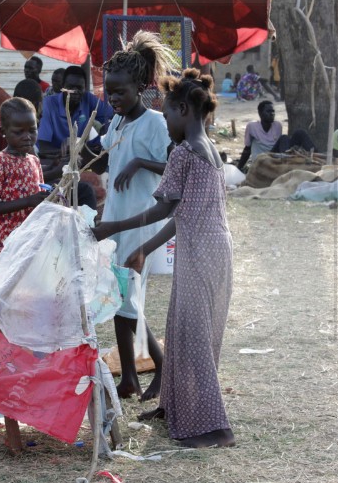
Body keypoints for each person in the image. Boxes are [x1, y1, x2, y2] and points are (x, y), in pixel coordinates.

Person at [93, 68, 235, 448]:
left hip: (200, 251)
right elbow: (184, 214)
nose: (166, 120)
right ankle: (171, 406)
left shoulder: (185, 153)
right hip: (214, 249)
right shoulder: (212, 154)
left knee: (193, 338)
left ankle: (214, 428)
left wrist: (113, 227)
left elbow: (163, 210)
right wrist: (145, 248)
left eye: (169, 112)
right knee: (182, 328)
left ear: (184, 110)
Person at [92, 31, 173, 401]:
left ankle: (161, 367)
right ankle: (129, 376)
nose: (114, 99)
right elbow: (105, 149)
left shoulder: (154, 123)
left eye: (120, 92)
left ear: (141, 87)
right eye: (109, 93)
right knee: (119, 301)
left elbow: (173, 165)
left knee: (129, 302)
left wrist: (141, 162)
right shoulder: (118, 122)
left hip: (141, 224)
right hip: (115, 220)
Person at [0, 98, 47, 266]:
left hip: (26, 241)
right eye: (19, 132)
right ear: (3, 131)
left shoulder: (34, 161)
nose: (27, 137)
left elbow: (39, 196)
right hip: (2, 245)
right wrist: (28, 201)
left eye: (32, 130)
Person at [37, 65, 113, 153]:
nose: (75, 91)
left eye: (79, 88)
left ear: (85, 87)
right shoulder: (49, 104)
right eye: (70, 87)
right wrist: (70, 152)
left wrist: (107, 127)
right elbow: (43, 146)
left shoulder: (88, 98)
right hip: (53, 157)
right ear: (62, 86)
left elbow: (113, 115)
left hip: (79, 155)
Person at [0, 79, 43, 167]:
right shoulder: (12, 126)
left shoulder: (9, 119)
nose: (41, 110)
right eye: (40, 103)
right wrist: (57, 170)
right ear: (33, 104)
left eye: (32, 131)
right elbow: (25, 170)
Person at [236, 100, 315, 171]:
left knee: (300, 133)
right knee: (284, 138)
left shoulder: (277, 125)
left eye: (273, 111)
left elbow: (280, 145)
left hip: (275, 155)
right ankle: (286, 164)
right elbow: (247, 149)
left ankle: (317, 156)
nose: (272, 114)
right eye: (268, 111)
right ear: (260, 113)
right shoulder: (252, 127)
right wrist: (239, 168)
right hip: (264, 159)